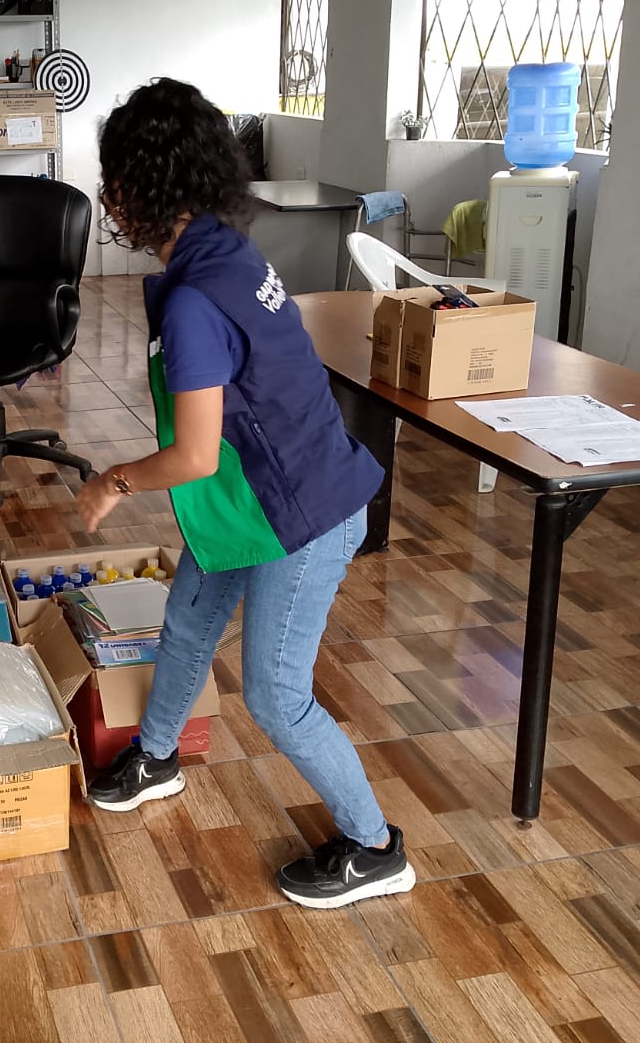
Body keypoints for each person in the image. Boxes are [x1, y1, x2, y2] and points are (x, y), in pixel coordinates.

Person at [77, 78, 414, 909]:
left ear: (134, 187)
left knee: (274, 693)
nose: (109, 195)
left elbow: (192, 455)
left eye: (112, 178)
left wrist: (115, 481)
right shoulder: (224, 250)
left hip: (301, 515)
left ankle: (375, 846)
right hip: (250, 497)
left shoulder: (195, 298)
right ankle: (158, 758)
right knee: (189, 622)